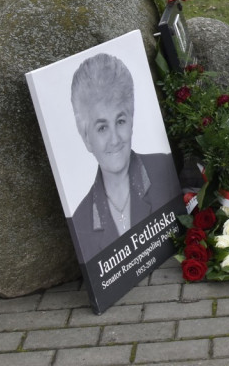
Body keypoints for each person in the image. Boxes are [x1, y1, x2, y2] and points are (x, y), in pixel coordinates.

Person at [67, 53, 178, 263]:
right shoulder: (81, 222)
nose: (115, 139)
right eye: (101, 128)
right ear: (86, 138)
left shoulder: (165, 171)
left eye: (120, 121)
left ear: (132, 119)